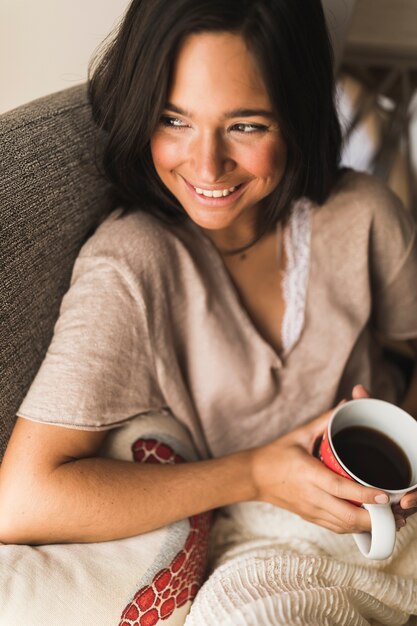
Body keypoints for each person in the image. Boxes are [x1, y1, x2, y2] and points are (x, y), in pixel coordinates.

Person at [1, 0, 417, 622]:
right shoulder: (131, 265)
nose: (204, 165)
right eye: (174, 119)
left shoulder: (362, 215)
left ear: (297, 115)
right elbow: (23, 499)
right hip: (259, 543)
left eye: (246, 125)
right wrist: (255, 475)